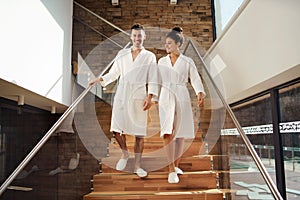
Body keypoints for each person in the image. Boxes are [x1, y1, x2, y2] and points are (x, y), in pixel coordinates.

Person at [89, 23, 157, 178]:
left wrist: (150, 96)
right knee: (116, 129)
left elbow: (153, 77)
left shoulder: (149, 56)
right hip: (122, 94)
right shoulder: (122, 54)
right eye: (134, 35)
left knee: (139, 135)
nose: (137, 38)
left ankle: (137, 166)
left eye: (140, 35)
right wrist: (100, 79)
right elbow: (114, 73)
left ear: (144, 37)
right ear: (131, 37)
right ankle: (125, 155)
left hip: (139, 95)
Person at [157, 27, 206, 183]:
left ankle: (176, 166)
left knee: (180, 135)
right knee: (167, 132)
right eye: (166, 44)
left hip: (182, 94)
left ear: (178, 44)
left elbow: (195, 78)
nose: (166, 46)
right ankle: (171, 169)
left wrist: (199, 92)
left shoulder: (187, 61)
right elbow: (156, 80)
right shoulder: (162, 61)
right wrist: (152, 95)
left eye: (169, 43)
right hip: (166, 95)